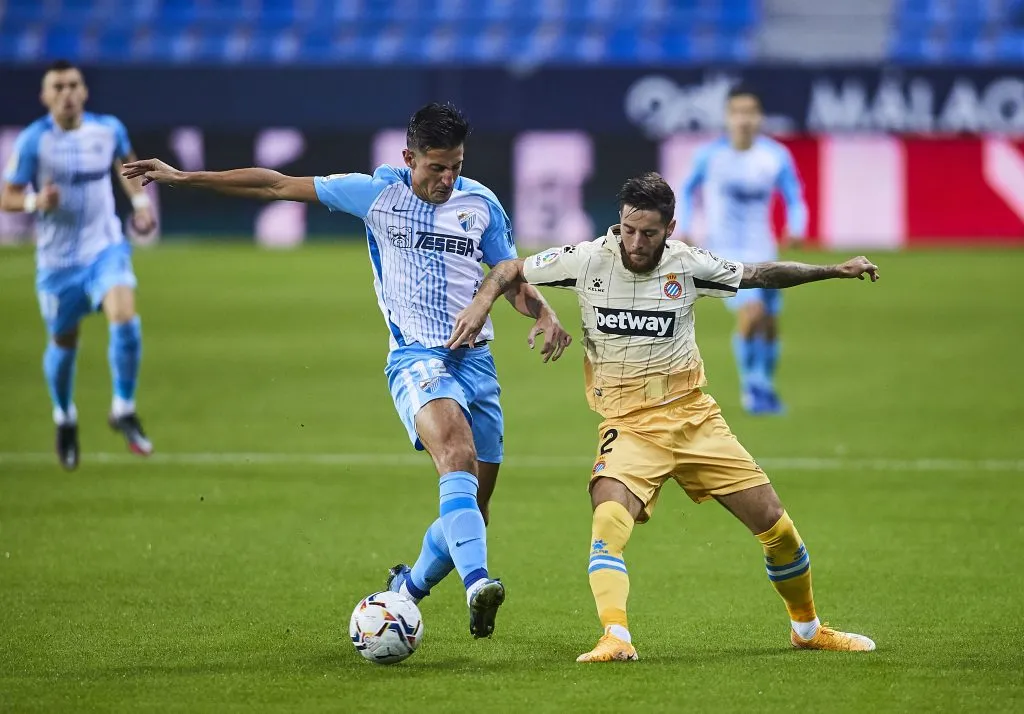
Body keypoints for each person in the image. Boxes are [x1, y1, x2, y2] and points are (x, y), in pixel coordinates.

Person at [122, 102, 572, 639]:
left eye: (455, 166)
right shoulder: (376, 195)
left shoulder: (480, 203)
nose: (447, 179)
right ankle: (479, 583)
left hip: (477, 362)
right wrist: (185, 176)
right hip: (416, 357)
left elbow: (509, 274)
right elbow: (275, 186)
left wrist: (542, 309)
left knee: (476, 505)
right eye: (435, 167)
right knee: (455, 452)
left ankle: (406, 591)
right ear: (409, 158)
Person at [448, 172, 878, 661]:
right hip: (628, 425)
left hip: (695, 418)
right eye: (629, 229)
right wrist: (487, 306)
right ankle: (616, 637)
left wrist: (834, 270)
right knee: (607, 519)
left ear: (670, 227)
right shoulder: (587, 259)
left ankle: (808, 629)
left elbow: (760, 273)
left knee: (775, 525)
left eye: (648, 233)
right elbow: (510, 268)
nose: (636, 242)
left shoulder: (688, 264)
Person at [1, 59, 157, 470]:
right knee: (63, 343)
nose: (67, 93)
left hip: (105, 247)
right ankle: (64, 417)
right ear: (45, 96)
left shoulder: (108, 129)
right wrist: (35, 202)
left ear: (85, 91)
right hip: (57, 262)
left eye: (74, 85)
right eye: (58, 87)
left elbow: (130, 169)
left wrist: (140, 204)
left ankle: (123, 407)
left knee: (124, 316)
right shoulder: (35, 141)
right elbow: (8, 196)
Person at [678, 85, 808, 414]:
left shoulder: (775, 155)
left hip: (764, 248)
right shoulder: (710, 156)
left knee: (770, 321)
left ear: (759, 116)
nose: (743, 119)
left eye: (749, 112)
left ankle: (764, 383)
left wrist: (797, 225)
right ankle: (751, 386)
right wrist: (688, 226)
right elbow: (688, 188)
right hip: (724, 253)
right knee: (752, 313)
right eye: (737, 112)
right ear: (727, 117)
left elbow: (794, 196)